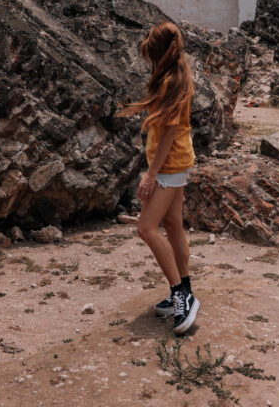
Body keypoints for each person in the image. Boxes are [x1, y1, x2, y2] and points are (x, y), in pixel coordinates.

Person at [118, 20, 199, 335]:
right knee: (173, 226)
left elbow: (167, 133)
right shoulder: (178, 76)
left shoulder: (170, 82)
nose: (149, 59)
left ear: (161, 53)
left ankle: (181, 296)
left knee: (146, 229)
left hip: (169, 167)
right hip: (176, 162)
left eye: (151, 53)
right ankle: (185, 290)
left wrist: (150, 176)